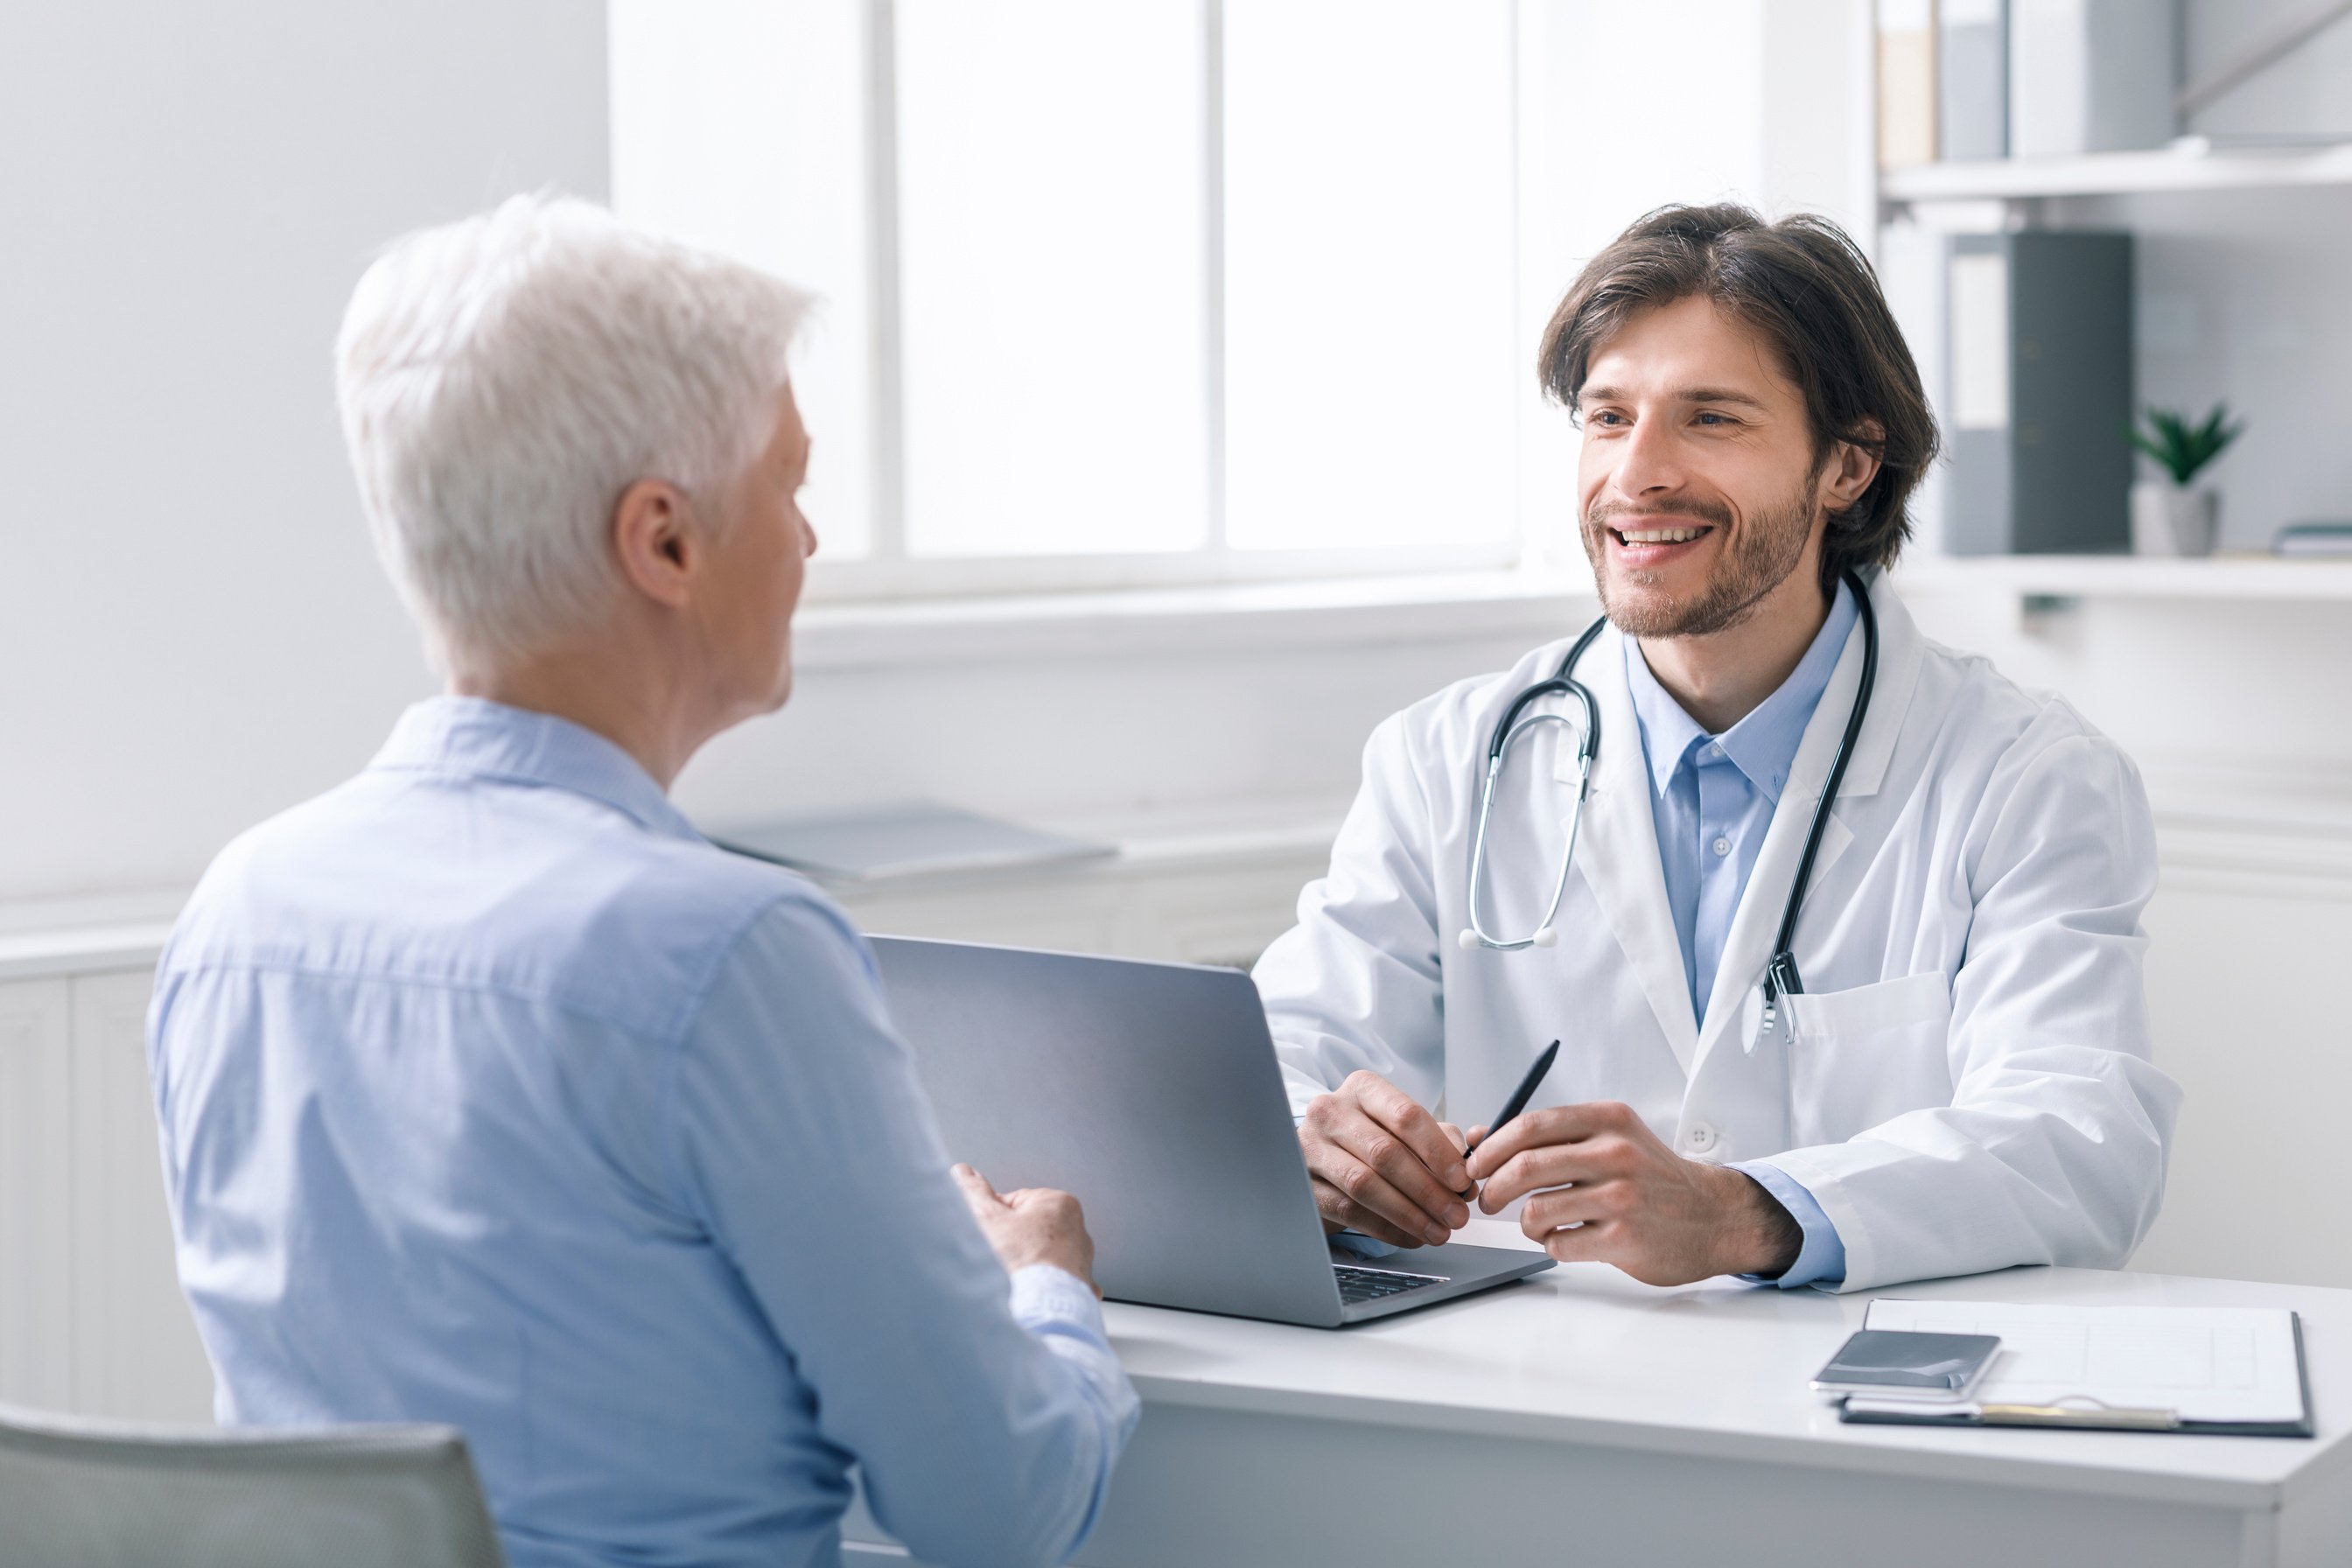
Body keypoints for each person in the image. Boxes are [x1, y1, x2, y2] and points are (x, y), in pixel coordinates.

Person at [147, 195, 1136, 1568]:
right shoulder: (727, 953)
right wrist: (1042, 1292)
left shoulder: (236, 916)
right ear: (663, 540)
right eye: (790, 487)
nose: (807, 542)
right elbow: (1000, 1505)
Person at [1257, 203, 2180, 1294]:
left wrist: (1749, 1213)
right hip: (1522, 1384)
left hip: (1866, 1407)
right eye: (1608, 417)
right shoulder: (1446, 759)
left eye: (1710, 419)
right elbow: (1278, 1050)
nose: (1636, 475)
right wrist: (1313, 1136)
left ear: (1848, 465)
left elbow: (2079, 1139)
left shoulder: (2027, 778)